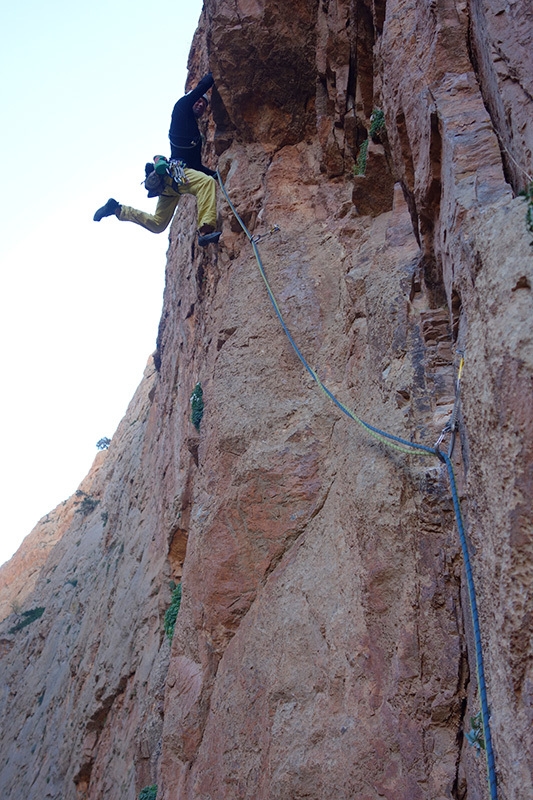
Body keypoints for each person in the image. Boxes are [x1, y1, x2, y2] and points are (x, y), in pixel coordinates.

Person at [93, 73, 221, 247]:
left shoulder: (195, 136)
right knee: (206, 183)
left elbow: (196, 166)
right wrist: (215, 71)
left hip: (171, 185)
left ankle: (117, 209)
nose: (200, 104)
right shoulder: (181, 109)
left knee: (158, 224)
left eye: (203, 104)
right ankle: (205, 231)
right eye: (198, 101)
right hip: (176, 174)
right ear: (191, 100)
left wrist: (216, 174)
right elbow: (202, 86)